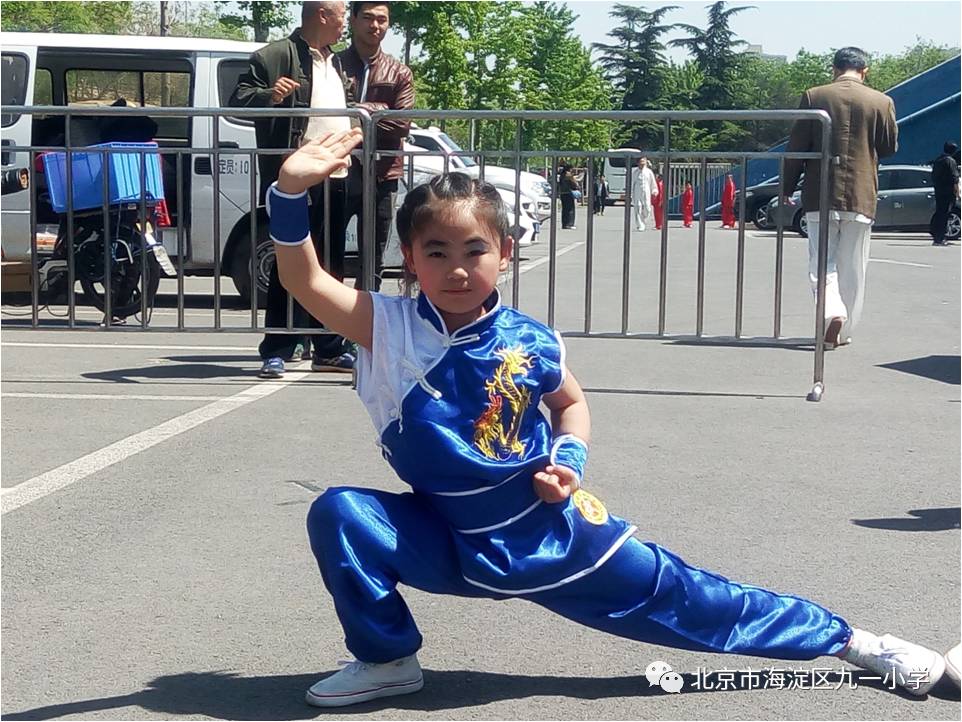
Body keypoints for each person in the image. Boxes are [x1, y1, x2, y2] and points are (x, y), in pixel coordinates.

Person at [268, 129, 945, 708]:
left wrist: (569, 462)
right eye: (435, 252)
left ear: (504, 253)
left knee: (697, 601)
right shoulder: (383, 328)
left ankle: (854, 641)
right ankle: (388, 660)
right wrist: (290, 194)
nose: (456, 268)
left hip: (549, 533)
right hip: (444, 534)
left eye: (473, 250)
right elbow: (304, 280)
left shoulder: (532, 340)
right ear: (409, 259)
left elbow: (571, 404)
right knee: (341, 513)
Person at [230, 0, 355, 379]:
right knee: (290, 262)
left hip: (337, 174)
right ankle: (279, 347)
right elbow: (237, 101)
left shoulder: (339, 61)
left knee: (330, 265)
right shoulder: (273, 56)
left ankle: (329, 347)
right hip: (296, 177)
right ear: (323, 15)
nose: (345, 20)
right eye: (343, 13)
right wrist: (271, 94)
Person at [783, 46, 898, 349]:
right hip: (861, 194)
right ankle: (844, 331)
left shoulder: (814, 96)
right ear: (865, 71)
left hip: (820, 193)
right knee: (854, 266)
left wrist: (786, 187)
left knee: (821, 262)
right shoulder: (882, 101)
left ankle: (832, 312)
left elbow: (797, 147)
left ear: (834, 69)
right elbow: (888, 148)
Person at [337, 1, 415, 288]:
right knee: (329, 251)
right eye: (368, 18)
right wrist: (380, 110)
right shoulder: (334, 66)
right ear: (353, 20)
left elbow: (401, 125)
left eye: (382, 19)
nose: (375, 25)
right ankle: (328, 329)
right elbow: (327, 115)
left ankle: (365, 327)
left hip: (383, 175)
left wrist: (358, 110)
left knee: (373, 258)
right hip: (339, 171)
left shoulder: (400, 73)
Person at [929, 141, 959, 246]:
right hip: (948, 192)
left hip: (939, 191)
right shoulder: (950, 161)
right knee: (945, 214)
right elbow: (954, 178)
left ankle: (936, 235)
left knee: (940, 213)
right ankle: (940, 238)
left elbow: (933, 176)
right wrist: (957, 192)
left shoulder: (938, 160)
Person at [630, 157, 657, 231]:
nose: (642, 164)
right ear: (638, 163)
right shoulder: (635, 172)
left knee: (647, 208)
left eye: (643, 162)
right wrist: (630, 194)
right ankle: (640, 225)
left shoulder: (649, 172)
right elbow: (632, 183)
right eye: (641, 162)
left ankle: (643, 219)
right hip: (637, 192)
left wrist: (654, 190)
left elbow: (653, 183)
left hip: (646, 192)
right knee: (638, 207)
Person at [558, 164, 579, 229]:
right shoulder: (568, 175)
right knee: (570, 209)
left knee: (564, 210)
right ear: (569, 169)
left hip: (562, 193)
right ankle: (569, 224)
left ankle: (564, 224)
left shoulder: (562, 175)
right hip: (568, 193)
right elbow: (575, 182)